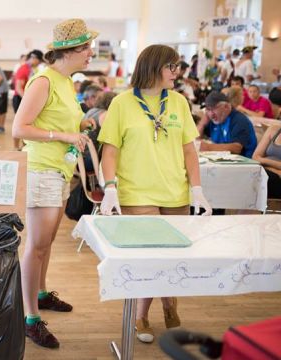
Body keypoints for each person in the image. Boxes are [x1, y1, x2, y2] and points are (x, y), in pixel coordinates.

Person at [98, 44, 212, 344]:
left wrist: (196, 188)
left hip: (175, 194)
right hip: (138, 195)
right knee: (149, 259)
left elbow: (189, 150)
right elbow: (109, 152)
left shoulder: (179, 102)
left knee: (174, 258)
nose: (177, 73)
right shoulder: (122, 103)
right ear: (153, 67)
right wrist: (110, 188)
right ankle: (141, 316)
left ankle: (169, 303)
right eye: (171, 67)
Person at [12, 18, 98, 349]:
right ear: (70, 50)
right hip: (41, 170)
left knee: (46, 242)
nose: (91, 53)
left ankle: (41, 293)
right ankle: (29, 317)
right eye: (87, 47)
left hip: (60, 170)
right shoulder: (43, 80)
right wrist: (63, 134)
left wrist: (82, 121)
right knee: (36, 245)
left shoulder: (65, 81)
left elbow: (62, 118)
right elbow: (20, 128)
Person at [197, 91, 258, 158]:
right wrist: (202, 124)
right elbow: (196, 139)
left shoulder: (239, 120)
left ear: (226, 106)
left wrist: (208, 147)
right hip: (222, 160)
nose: (211, 114)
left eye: (213, 109)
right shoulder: (214, 119)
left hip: (243, 163)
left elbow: (237, 148)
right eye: (208, 109)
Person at [12, 50, 44, 149]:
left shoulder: (33, 69)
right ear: (33, 58)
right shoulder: (24, 69)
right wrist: (28, 100)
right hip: (20, 98)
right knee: (19, 124)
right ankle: (16, 147)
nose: (39, 63)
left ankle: (24, 145)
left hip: (26, 98)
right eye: (39, 61)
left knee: (27, 124)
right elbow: (18, 88)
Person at [252, 125, 281, 199]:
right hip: (266, 171)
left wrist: (264, 162)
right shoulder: (273, 129)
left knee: (256, 177)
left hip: (275, 179)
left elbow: (259, 159)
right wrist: (275, 169)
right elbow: (255, 157)